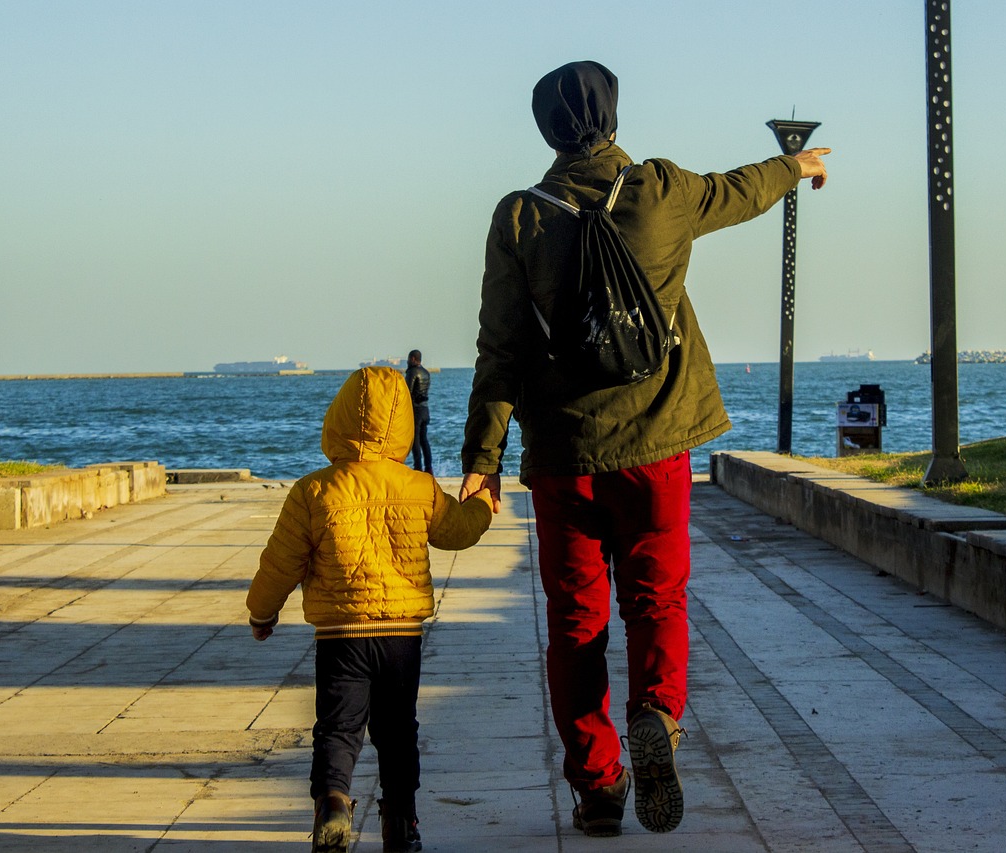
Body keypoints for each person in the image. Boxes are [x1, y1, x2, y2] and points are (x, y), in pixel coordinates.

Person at [459, 60, 830, 837]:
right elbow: (741, 189)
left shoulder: (519, 217)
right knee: (655, 598)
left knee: (575, 619)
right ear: (613, 114)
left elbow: (501, 349)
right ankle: (657, 711)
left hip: (563, 453)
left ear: (546, 130)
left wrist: (481, 463)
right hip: (658, 444)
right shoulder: (660, 189)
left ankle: (598, 785)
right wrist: (796, 166)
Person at [247, 367, 493, 853]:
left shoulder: (313, 492)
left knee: (338, 728)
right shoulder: (417, 487)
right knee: (398, 730)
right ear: (402, 424)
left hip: (340, 637)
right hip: (401, 637)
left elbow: (280, 563)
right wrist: (483, 503)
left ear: (337, 419)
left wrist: (262, 613)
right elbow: (457, 531)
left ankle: (333, 804)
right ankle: (401, 822)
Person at [404, 350, 433, 473]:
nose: (407, 361)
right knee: (424, 440)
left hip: (415, 410)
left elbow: (407, 393)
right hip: (425, 409)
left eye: (409, 359)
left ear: (413, 359)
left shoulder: (412, 372)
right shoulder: (426, 373)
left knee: (415, 440)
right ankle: (429, 467)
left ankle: (417, 467)